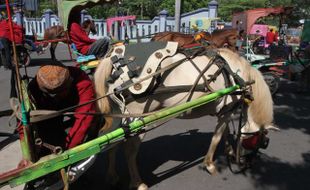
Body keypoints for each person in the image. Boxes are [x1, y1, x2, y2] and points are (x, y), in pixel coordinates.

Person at [24, 63, 98, 153]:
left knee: (93, 123)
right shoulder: (34, 87)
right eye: (54, 94)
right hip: (49, 111)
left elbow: (84, 118)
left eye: (62, 92)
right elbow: (23, 121)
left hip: (73, 104)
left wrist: (67, 150)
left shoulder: (81, 81)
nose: (59, 95)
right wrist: (28, 149)